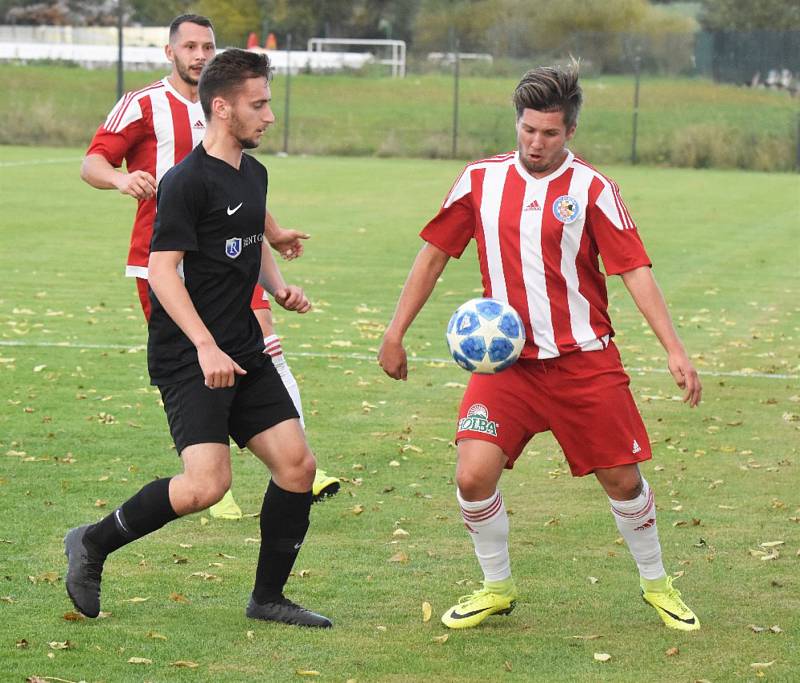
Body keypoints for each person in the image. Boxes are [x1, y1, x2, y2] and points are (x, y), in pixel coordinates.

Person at [378, 63, 702, 632]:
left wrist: (673, 348)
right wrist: (394, 331)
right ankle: (496, 586)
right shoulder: (480, 180)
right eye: (528, 129)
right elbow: (432, 255)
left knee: (623, 482)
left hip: (586, 363)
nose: (535, 142)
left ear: (569, 132)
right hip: (508, 370)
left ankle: (659, 584)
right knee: (472, 476)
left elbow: (635, 270)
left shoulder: (593, 189)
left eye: (549, 133)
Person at [65, 47, 331, 628]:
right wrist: (206, 346)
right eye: (257, 104)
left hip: (242, 347)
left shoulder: (254, 174)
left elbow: (250, 240)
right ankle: (91, 542)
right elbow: (163, 271)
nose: (268, 116)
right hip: (189, 354)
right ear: (222, 107)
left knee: (297, 467)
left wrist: (281, 286)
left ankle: (267, 599)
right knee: (206, 486)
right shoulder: (184, 181)